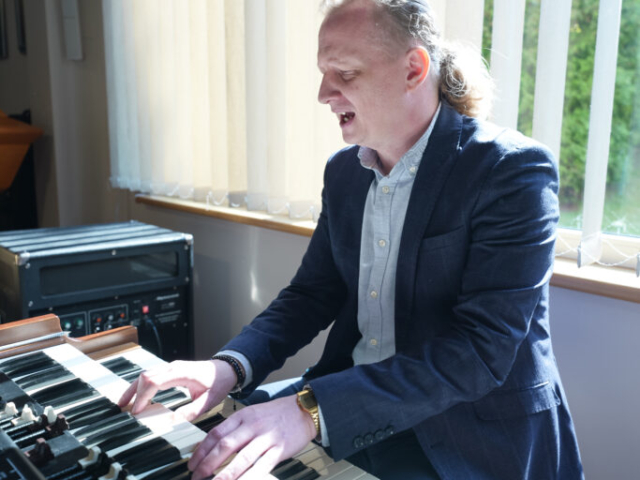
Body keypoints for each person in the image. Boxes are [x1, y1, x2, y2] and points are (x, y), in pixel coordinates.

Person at [119, 1, 585, 479]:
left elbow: (479, 351)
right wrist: (228, 367)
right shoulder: (344, 172)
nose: (324, 94)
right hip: (348, 398)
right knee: (203, 452)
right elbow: (311, 294)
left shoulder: (511, 171)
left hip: (465, 434)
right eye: (324, 74)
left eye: (344, 73)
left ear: (413, 69)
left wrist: (309, 411)